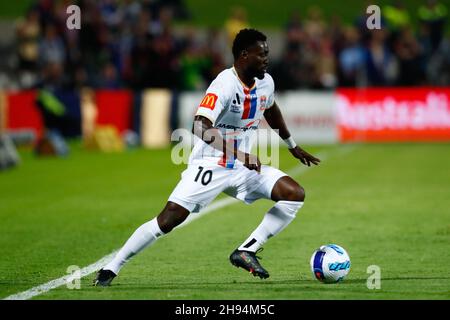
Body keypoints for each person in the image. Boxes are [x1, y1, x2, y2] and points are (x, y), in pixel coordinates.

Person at [94, 28, 320, 286]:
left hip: (244, 167)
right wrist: (238, 153)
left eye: (267, 53)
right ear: (244, 55)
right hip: (212, 163)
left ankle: (246, 251)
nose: (267, 59)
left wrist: (291, 145)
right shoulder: (224, 83)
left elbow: (270, 108)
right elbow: (199, 126)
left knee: (294, 193)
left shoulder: (266, 82)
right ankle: (112, 266)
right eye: (262, 54)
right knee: (169, 219)